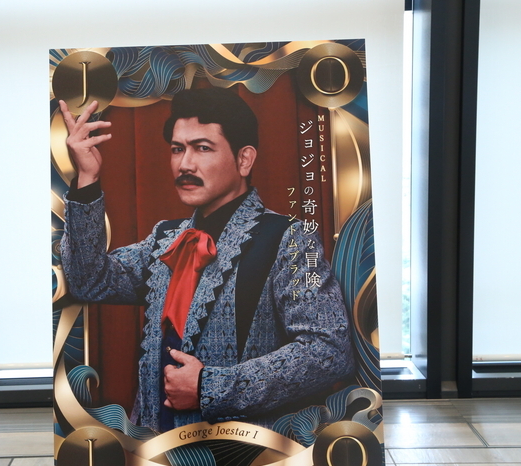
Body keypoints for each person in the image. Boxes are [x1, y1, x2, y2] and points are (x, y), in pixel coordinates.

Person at [59, 87, 354, 432]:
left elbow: (329, 351)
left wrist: (208, 387)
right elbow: (90, 281)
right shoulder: (165, 238)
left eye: (202, 148)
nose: (185, 164)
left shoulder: (290, 238)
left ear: (244, 160)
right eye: (177, 149)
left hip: (241, 452)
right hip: (154, 450)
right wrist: (87, 179)